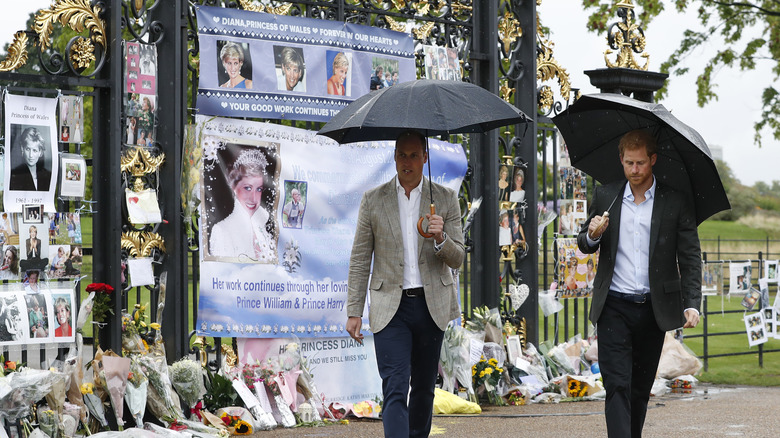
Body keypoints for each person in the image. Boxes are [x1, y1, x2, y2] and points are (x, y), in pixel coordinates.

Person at [577, 129, 701, 437]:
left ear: (653, 160)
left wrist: (691, 303)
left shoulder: (674, 201)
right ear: (621, 160)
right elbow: (584, 242)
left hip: (653, 310)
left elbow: (689, 256)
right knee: (617, 384)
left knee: (638, 389)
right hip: (613, 307)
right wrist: (593, 233)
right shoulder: (607, 195)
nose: (634, 170)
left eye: (641, 163)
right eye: (629, 163)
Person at [346, 130, 464, 438]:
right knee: (395, 387)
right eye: (401, 155)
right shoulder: (373, 199)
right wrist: (354, 310)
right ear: (394, 157)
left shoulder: (446, 199)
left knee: (424, 389)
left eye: (413, 155)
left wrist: (441, 238)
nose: (406, 162)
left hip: (431, 305)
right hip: (390, 307)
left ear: (425, 157)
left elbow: (458, 258)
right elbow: (360, 258)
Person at [209, 149, 276, 262]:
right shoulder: (221, 231)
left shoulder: (263, 229)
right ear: (234, 188)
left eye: (258, 189)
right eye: (247, 188)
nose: (253, 198)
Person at [9, 127, 52, 191]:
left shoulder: (48, 176)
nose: (31, 155)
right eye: (28, 149)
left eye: (34, 150)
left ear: (40, 152)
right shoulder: (14, 176)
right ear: (22, 149)